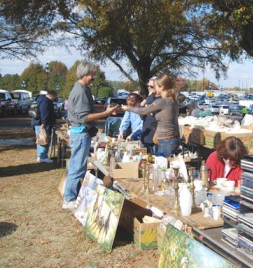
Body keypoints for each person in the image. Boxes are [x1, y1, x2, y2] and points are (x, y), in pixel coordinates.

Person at [63, 61, 118, 210]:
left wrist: (105, 109)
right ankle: (69, 199)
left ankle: (71, 195)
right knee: (77, 167)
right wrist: (104, 114)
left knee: (78, 166)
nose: (94, 77)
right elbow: (84, 117)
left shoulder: (84, 89)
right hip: (80, 133)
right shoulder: (80, 91)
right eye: (92, 74)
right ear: (84, 74)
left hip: (82, 133)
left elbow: (89, 108)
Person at [122, 74, 180, 157]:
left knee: (162, 166)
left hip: (166, 141)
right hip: (170, 139)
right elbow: (167, 117)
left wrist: (128, 108)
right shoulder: (173, 100)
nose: (154, 88)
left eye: (155, 86)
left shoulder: (162, 101)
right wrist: (153, 114)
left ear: (162, 87)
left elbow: (143, 111)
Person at [32, 90, 57, 163]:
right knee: (43, 139)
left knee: (41, 139)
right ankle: (43, 157)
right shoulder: (46, 101)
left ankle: (40, 156)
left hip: (39, 123)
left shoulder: (41, 99)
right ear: (52, 96)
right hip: (42, 124)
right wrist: (44, 123)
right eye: (55, 97)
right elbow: (44, 113)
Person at [140, 77, 161, 154]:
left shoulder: (161, 99)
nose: (149, 88)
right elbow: (142, 117)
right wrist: (142, 106)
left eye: (151, 86)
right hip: (146, 135)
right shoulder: (149, 98)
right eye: (148, 86)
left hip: (156, 137)